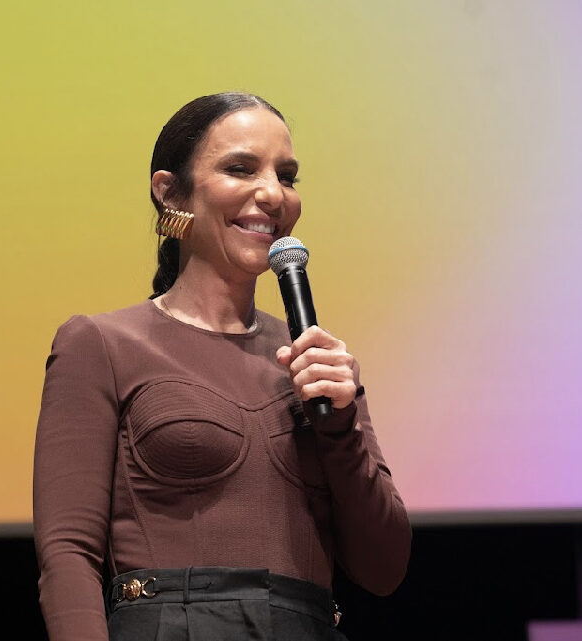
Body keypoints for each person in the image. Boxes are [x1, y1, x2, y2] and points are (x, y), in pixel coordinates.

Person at [33, 92, 411, 641]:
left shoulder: (317, 362)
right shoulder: (102, 344)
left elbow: (384, 569)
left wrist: (338, 426)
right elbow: (68, 555)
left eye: (287, 176)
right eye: (240, 169)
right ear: (169, 194)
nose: (271, 193)